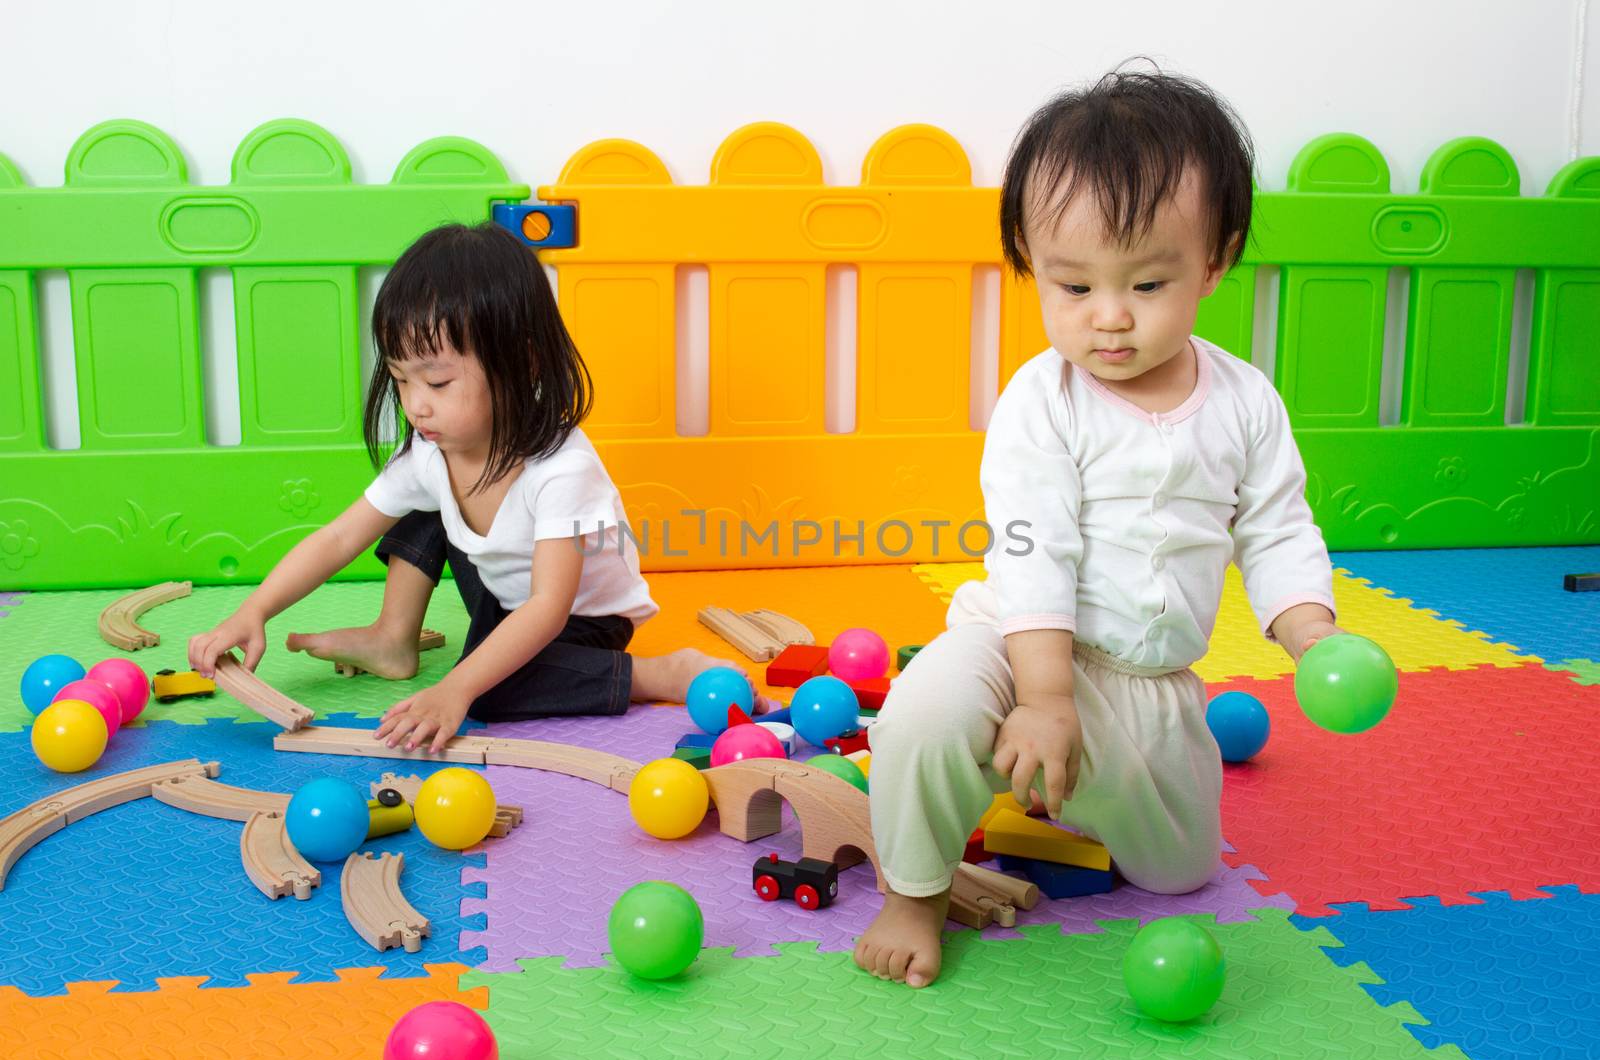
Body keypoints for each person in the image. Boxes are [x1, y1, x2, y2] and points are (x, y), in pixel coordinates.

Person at [854, 67, 1345, 988]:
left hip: (1147, 680)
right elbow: (1035, 548)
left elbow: (1278, 527)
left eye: (1148, 282)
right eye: (1072, 285)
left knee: (1180, 871)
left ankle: (1051, 786)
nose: (1109, 318)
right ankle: (912, 891)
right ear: (1033, 266)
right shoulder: (1045, 399)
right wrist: (1043, 695)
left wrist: (1308, 629)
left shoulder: (1244, 401)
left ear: (1214, 260)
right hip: (1018, 640)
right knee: (923, 713)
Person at [190, 222, 767, 752]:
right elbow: (341, 537)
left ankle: (655, 674)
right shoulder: (432, 446)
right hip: (501, 594)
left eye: (437, 381)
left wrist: (458, 689)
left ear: (523, 363)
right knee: (416, 501)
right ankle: (394, 637)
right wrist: (254, 610)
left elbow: (546, 607)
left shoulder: (560, 468)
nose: (415, 404)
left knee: (489, 694)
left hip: (580, 621)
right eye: (400, 379)